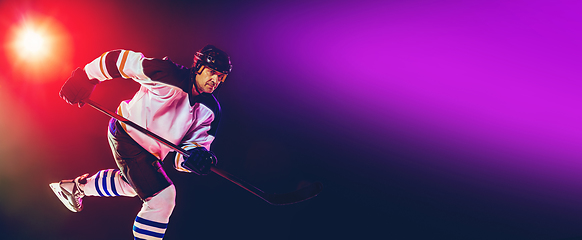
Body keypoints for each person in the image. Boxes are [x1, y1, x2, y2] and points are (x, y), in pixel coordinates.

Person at [49, 45, 232, 240]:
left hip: (151, 154)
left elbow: (183, 157)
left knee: (131, 185)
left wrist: (196, 158)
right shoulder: (166, 74)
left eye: (221, 76)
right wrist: (85, 77)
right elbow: (121, 61)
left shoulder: (211, 111)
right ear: (198, 67)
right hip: (127, 135)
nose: (215, 80)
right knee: (162, 198)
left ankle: (73, 188)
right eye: (212, 72)